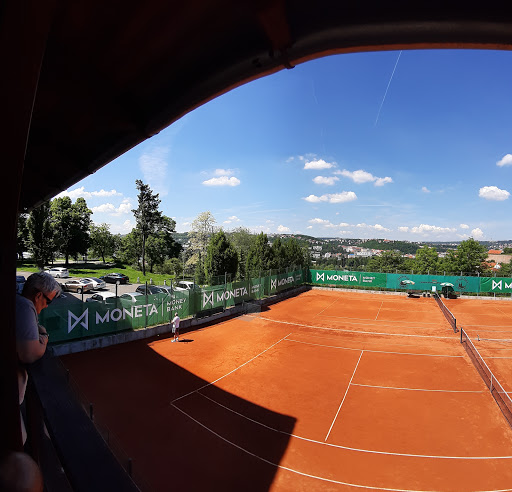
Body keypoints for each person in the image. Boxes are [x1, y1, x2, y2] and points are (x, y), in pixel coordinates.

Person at [15, 272, 61, 443]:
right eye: (48, 301)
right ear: (38, 296)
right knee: (20, 439)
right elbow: (31, 353)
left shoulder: (19, 303)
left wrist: (38, 330)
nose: (47, 306)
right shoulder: (26, 307)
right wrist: (44, 339)